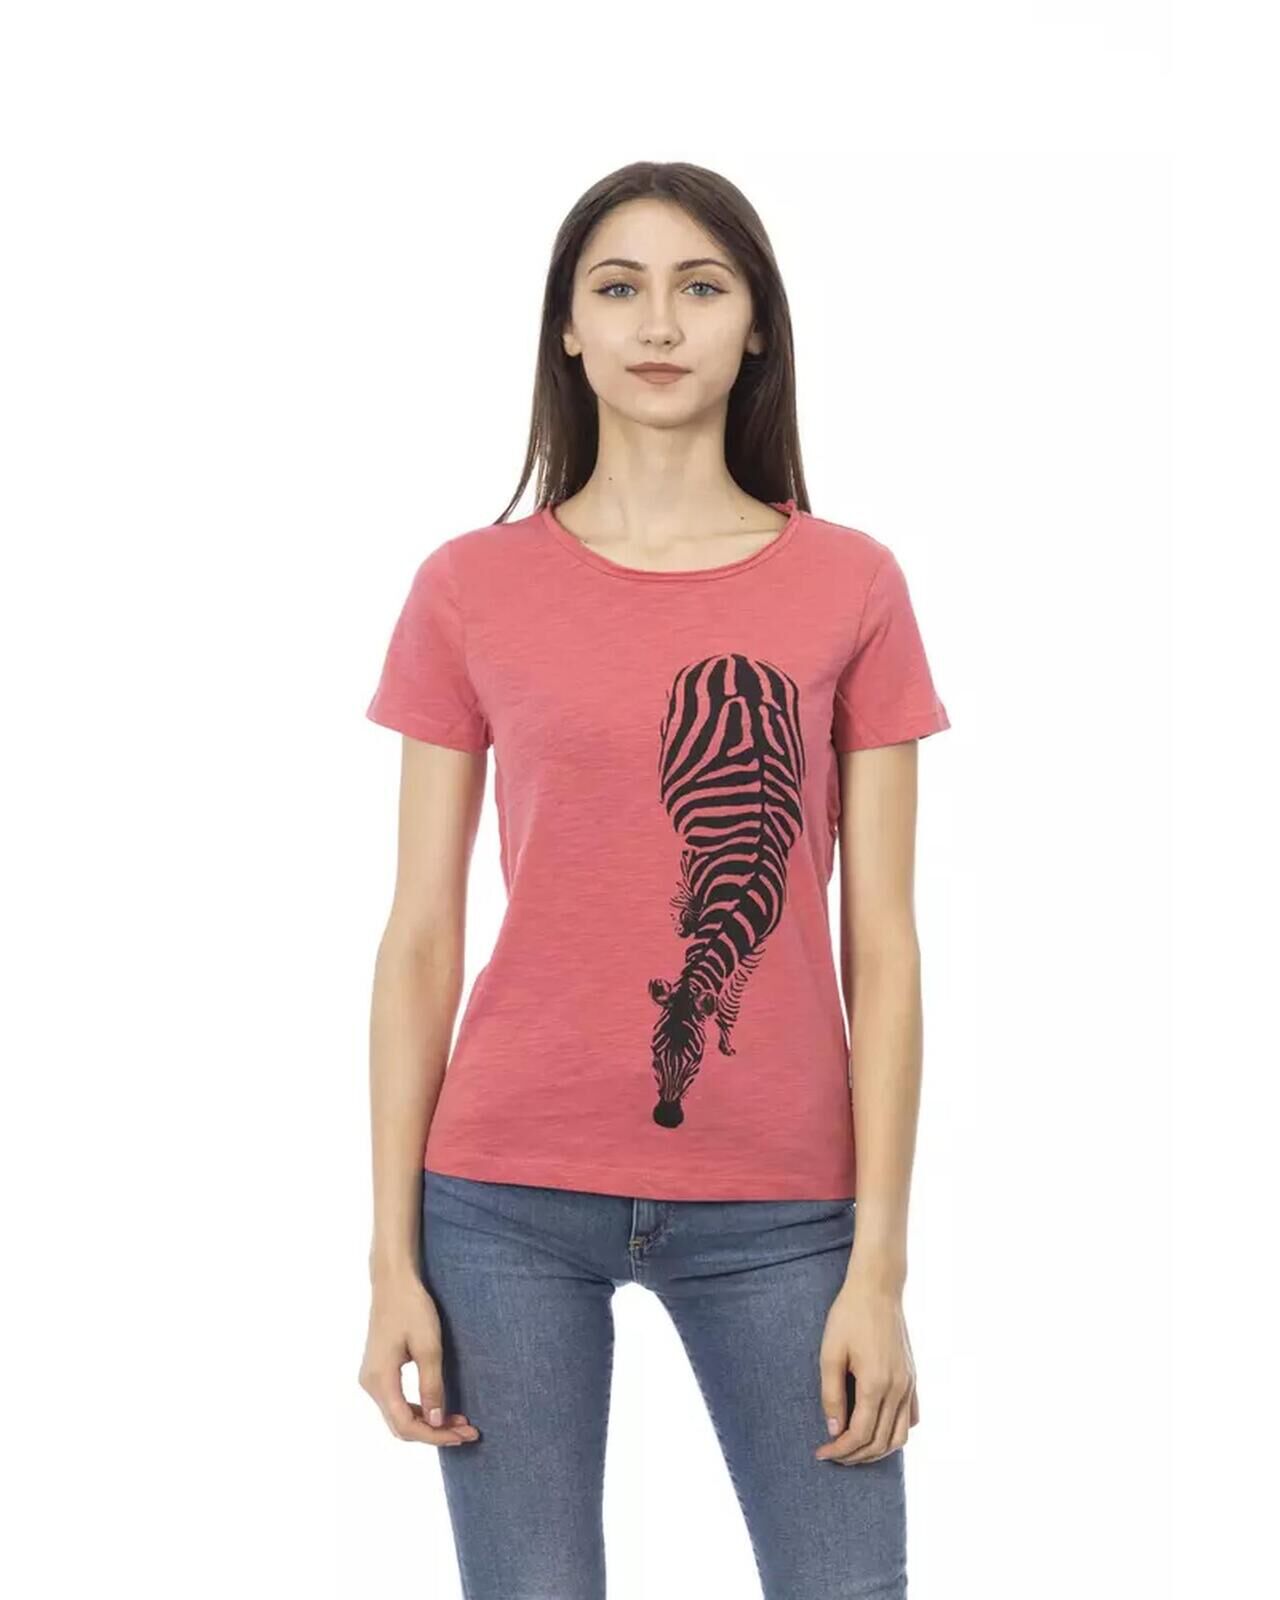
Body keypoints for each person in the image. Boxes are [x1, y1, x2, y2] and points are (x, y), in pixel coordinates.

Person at [358, 160, 951, 1600]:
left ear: (758, 325)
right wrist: (389, 1259)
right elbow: (422, 936)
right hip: (501, 1194)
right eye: (618, 287)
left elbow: (882, 942)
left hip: (783, 1203)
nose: (660, 323)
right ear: (569, 329)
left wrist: (880, 1265)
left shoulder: (851, 583)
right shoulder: (468, 586)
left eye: (702, 285)